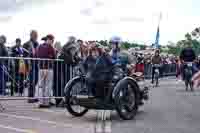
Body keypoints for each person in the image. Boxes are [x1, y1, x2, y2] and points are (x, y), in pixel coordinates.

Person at [36, 34, 56, 108]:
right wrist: (49, 56)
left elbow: (36, 55)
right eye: (52, 40)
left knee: (41, 85)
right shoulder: (50, 47)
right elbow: (54, 56)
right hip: (48, 68)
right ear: (49, 39)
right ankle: (46, 102)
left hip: (41, 68)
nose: (52, 41)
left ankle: (41, 102)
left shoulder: (39, 47)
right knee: (47, 85)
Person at [23, 30, 39, 103]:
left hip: (36, 64)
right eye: (35, 35)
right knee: (32, 81)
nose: (36, 36)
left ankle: (32, 96)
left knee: (35, 80)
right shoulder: (26, 44)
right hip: (30, 65)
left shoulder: (37, 43)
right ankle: (30, 97)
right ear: (31, 35)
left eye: (36, 35)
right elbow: (25, 56)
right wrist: (27, 65)